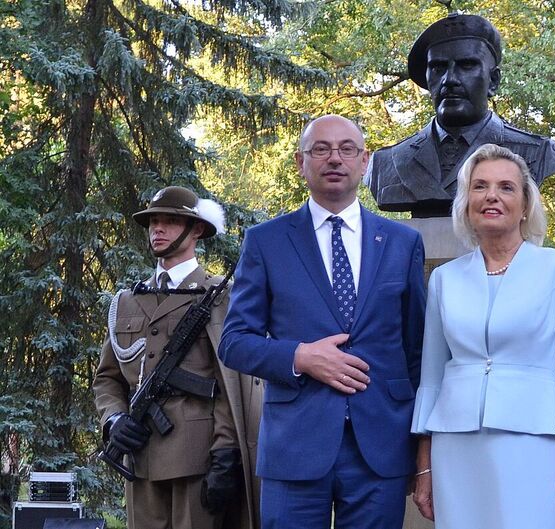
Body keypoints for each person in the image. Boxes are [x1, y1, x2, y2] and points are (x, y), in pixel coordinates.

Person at [219, 115, 426, 529]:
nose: (335, 158)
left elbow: (417, 351)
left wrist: (422, 448)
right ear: (300, 162)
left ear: (364, 161)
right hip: (295, 445)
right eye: (321, 149)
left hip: (381, 445)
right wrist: (300, 357)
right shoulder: (267, 241)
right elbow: (234, 342)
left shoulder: (403, 242)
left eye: (347, 149)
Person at [409, 144, 555, 528]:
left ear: (526, 204)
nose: (491, 195)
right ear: (466, 202)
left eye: (506, 187)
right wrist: (424, 466)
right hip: (454, 442)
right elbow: (431, 377)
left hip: (533, 440)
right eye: (480, 186)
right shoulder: (445, 278)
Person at [93, 186, 262, 529]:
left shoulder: (219, 297)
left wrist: (225, 453)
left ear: (196, 230)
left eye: (170, 221)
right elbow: (107, 377)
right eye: (154, 221)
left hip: (197, 458)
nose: (158, 229)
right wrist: (114, 420)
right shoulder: (127, 300)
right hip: (139, 456)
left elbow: (230, 384)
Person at [365, 13, 555, 217]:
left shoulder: (538, 152)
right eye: (438, 67)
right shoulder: (387, 161)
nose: (449, 79)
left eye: (467, 65)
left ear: (493, 81)